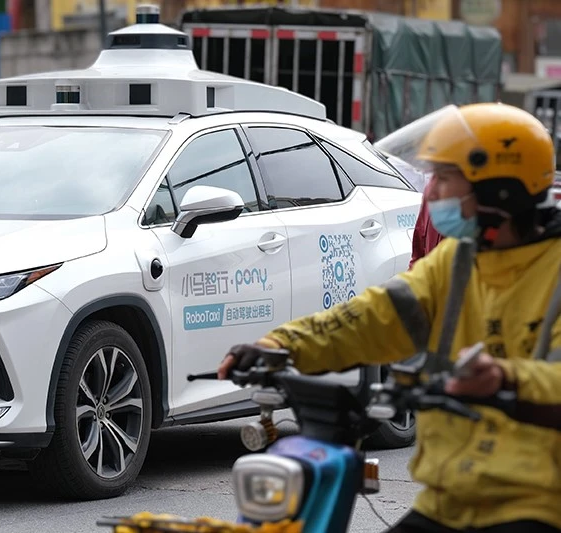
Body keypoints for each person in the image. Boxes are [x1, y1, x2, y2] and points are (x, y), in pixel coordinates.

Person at [218, 102, 561, 533]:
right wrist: (284, 344)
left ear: (500, 190)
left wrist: (506, 380)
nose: (431, 192)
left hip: (540, 505)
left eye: (447, 179)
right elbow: (375, 315)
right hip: (448, 501)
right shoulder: (456, 259)